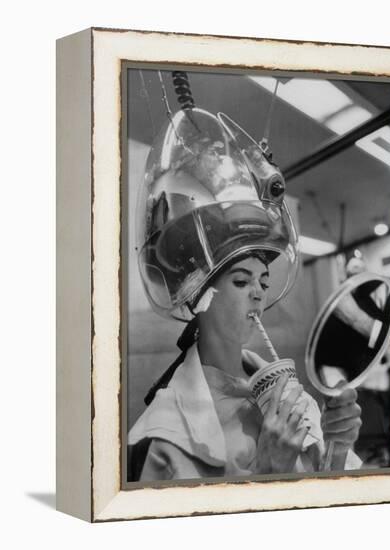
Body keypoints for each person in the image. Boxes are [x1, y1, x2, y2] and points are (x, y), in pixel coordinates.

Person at [128, 103, 362, 481]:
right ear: (199, 294)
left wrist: (338, 445)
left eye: (263, 281)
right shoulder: (166, 436)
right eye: (240, 281)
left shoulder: (294, 398)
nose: (258, 294)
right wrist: (268, 473)